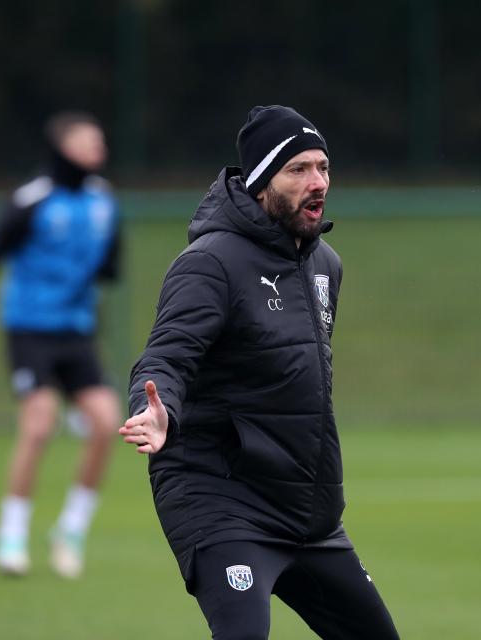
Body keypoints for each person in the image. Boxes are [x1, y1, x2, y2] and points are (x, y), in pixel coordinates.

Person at [121, 105, 399, 639]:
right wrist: (156, 410)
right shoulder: (210, 263)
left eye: (323, 167)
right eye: (298, 169)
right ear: (260, 182)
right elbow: (165, 358)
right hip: (221, 498)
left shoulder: (325, 265)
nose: (318, 182)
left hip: (306, 510)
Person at [0, 111, 122, 579]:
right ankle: (12, 535)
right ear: (64, 148)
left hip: (77, 332)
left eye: (100, 142)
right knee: (40, 423)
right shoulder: (32, 199)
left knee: (107, 423)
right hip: (30, 330)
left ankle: (71, 530)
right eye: (88, 142)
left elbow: (110, 267)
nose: (99, 150)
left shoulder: (104, 201)